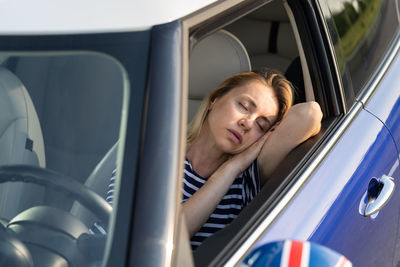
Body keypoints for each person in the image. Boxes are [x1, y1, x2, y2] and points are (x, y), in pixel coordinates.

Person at [182, 70, 322, 249]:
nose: (247, 123)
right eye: (244, 106)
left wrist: (233, 168)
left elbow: (309, 114)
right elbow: (170, 235)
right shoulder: (162, 152)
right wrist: (231, 168)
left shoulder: (245, 180)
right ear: (214, 99)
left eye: (261, 125)